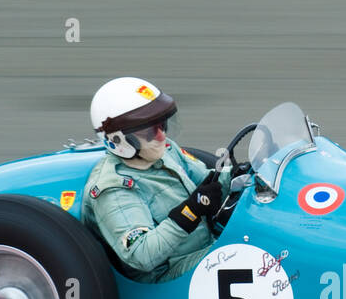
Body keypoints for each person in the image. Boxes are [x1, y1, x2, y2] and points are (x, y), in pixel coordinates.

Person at [83, 76, 234, 282]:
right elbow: (142, 255)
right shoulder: (114, 189)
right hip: (167, 276)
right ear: (118, 140)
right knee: (256, 253)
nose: (161, 136)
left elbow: (209, 183)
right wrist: (191, 211)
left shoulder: (165, 150)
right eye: (149, 131)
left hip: (205, 248)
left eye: (162, 125)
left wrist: (239, 175)